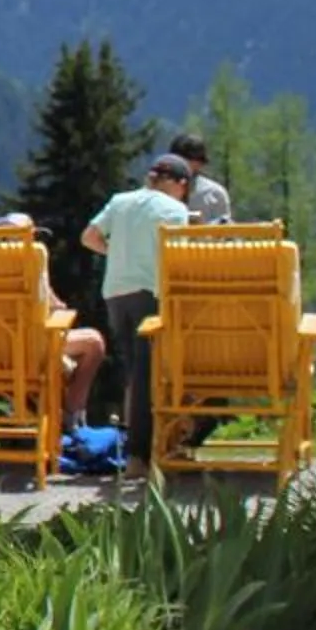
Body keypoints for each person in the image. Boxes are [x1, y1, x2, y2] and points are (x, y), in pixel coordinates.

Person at [80, 155, 196, 471]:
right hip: (150, 291)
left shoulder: (120, 201)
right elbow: (182, 255)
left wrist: (114, 252)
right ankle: (139, 455)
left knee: (135, 370)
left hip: (116, 293)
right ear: (179, 184)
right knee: (149, 372)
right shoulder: (175, 210)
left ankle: (137, 447)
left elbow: (89, 237)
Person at [0, 212, 107, 430]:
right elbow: (50, 305)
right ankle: (71, 418)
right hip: (26, 351)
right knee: (94, 343)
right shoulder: (32, 258)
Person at [170, 132, 233, 225]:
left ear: (200, 163)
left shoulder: (214, 194)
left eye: (187, 160)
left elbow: (224, 231)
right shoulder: (158, 192)